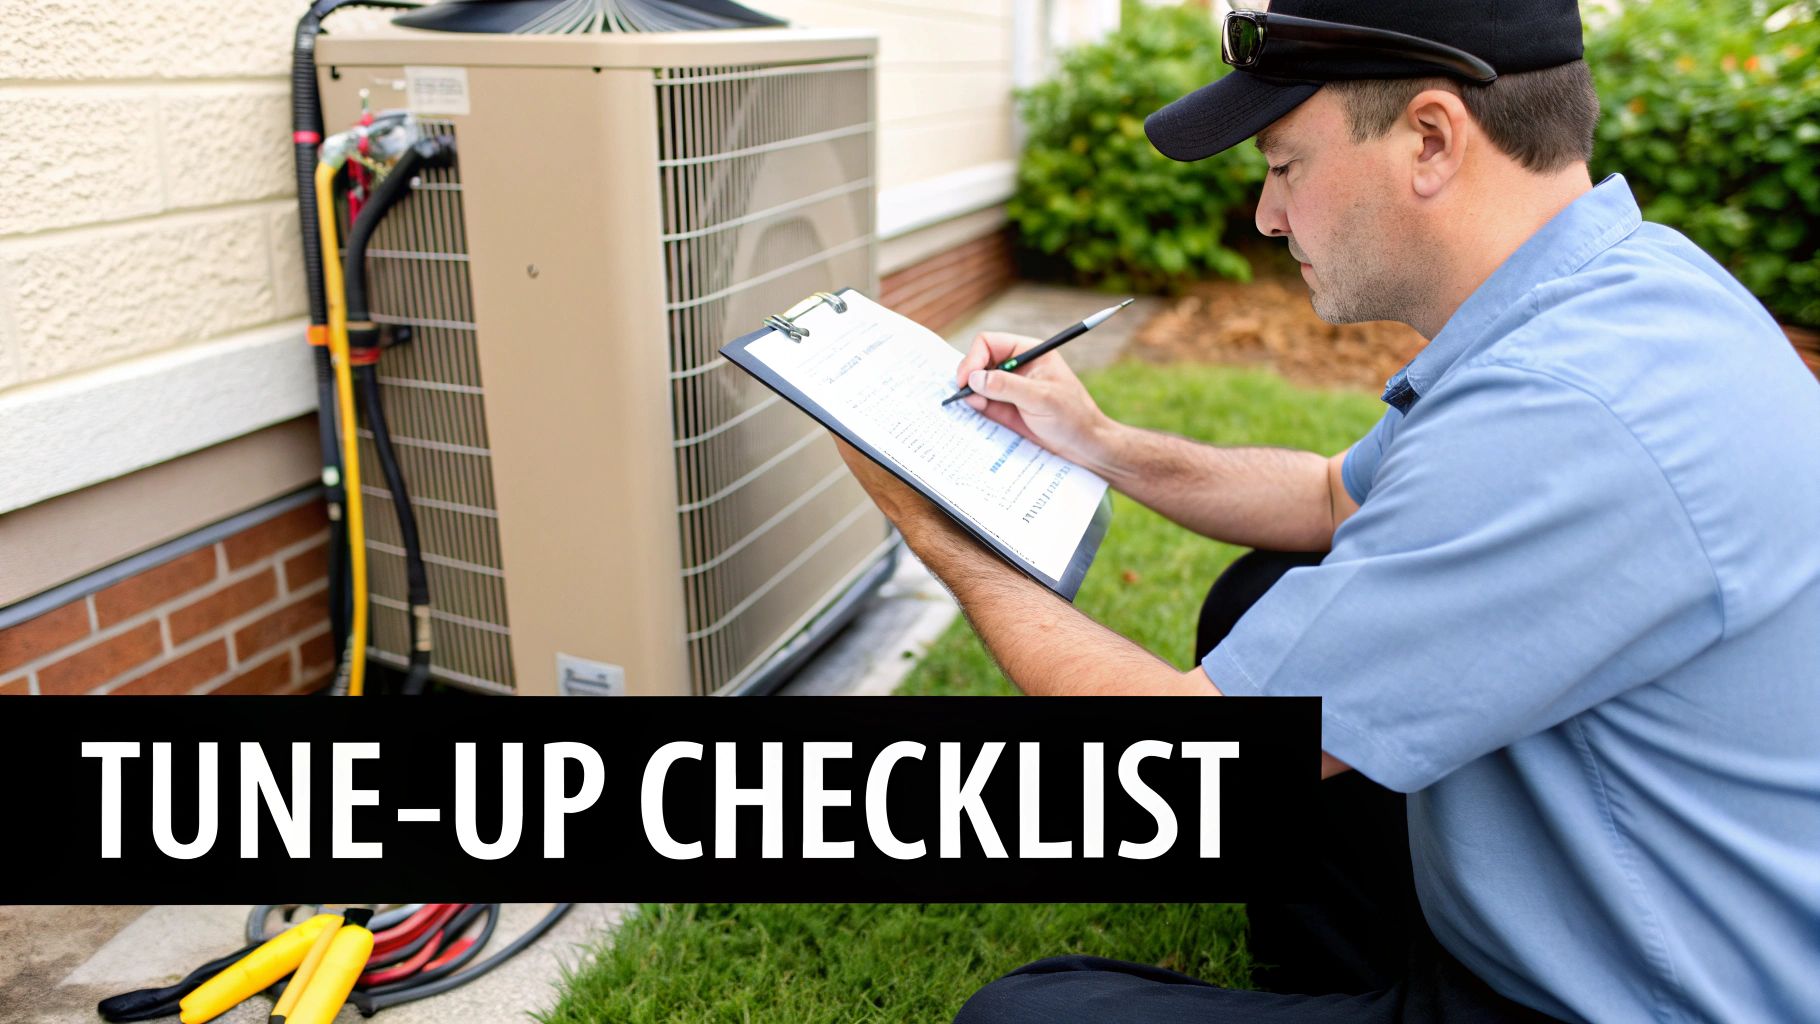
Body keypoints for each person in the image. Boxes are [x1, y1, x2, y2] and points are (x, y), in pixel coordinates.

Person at [830, 1, 1820, 1021]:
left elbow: (1186, 766)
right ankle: (1336, 979)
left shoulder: (1565, 415)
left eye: (1283, 164)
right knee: (1263, 586)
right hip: (1601, 908)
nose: (1265, 213)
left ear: (1428, 139)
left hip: (1632, 1001)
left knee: (1021, 1019)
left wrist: (943, 531)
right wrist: (1092, 439)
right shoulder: (1612, 293)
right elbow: (1322, 497)